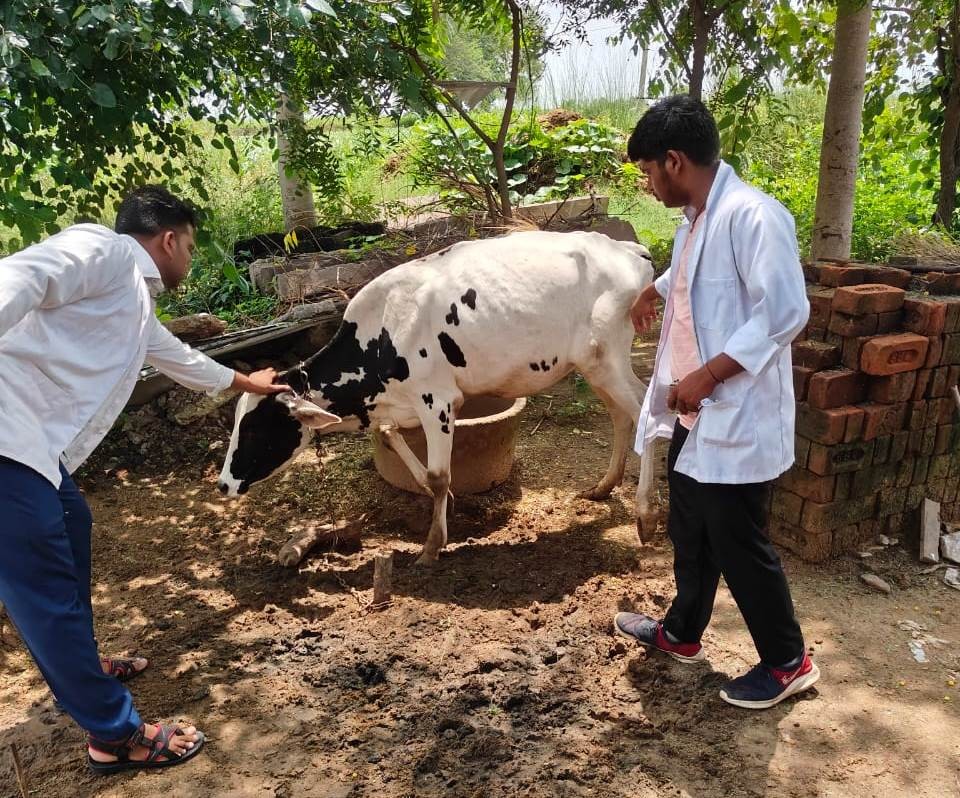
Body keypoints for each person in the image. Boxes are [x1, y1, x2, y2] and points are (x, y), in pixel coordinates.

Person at [0, 186, 288, 772]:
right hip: (5, 439)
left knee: (71, 526)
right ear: (169, 239)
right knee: (44, 590)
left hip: (32, 445)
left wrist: (247, 385)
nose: (191, 258)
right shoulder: (100, 250)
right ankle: (114, 734)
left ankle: (79, 664)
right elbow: (19, 277)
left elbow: (176, 356)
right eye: (192, 246)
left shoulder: (131, 301)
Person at [614, 96, 820, 709]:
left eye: (650, 172)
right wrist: (650, 291)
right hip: (693, 411)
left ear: (675, 161)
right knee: (691, 527)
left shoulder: (755, 216)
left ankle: (788, 661)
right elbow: (691, 271)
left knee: (738, 541)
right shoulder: (698, 218)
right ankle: (681, 633)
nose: (649, 185)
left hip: (734, 412)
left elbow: (785, 311)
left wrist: (707, 375)